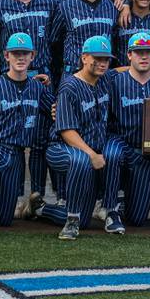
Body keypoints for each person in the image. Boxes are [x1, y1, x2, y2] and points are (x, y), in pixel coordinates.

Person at [0, 33, 54, 239]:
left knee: (5, 218)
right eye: (16, 53)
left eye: (25, 53)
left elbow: (55, 111)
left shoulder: (37, 88)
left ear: (32, 56)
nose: (20, 57)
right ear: (6, 56)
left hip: (15, 155)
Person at [0, 0, 58, 214]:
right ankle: (16, 194)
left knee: (40, 138)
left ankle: (36, 195)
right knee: (14, 139)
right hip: (11, 80)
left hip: (41, 78)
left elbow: (57, 39)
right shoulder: (0, 6)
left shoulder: (49, 3)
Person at [103, 33, 150, 232]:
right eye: (138, 53)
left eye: (148, 53)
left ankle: (127, 201)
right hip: (120, 140)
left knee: (137, 219)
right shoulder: (113, 81)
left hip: (146, 152)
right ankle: (110, 209)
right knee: (112, 153)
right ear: (129, 55)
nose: (143, 57)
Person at [46, 35, 112, 240]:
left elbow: (123, 71)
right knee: (81, 160)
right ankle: (71, 221)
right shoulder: (69, 86)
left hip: (86, 150)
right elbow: (66, 131)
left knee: (87, 220)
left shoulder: (104, 80)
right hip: (61, 148)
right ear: (84, 57)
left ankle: (42, 210)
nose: (102, 63)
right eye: (97, 58)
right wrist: (92, 154)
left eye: (106, 59)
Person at [52, 0, 118, 74]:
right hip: (73, 72)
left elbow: (116, 40)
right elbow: (54, 42)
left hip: (103, 73)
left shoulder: (113, 5)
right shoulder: (65, 6)